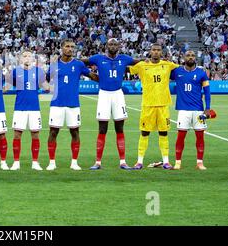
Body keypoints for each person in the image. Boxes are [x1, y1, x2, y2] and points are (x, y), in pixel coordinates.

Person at [83, 38, 141, 170]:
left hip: (118, 95)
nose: (113, 46)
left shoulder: (124, 58)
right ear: (106, 46)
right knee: (102, 129)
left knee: (119, 128)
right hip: (104, 94)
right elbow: (82, 62)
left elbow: (141, 62)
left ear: (119, 46)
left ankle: (123, 162)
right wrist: (89, 74)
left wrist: (152, 61)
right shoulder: (98, 58)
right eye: (110, 44)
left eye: (115, 44)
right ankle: (97, 162)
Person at [45, 39, 98, 171]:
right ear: (62, 48)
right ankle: (52, 162)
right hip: (57, 103)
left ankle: (74, 162)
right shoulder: (54, 64)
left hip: (73, 104)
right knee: (53, 132)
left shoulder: (79, 64)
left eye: (72, 47)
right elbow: (45, 80)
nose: (70, 49)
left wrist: (105, 76)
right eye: (67, 46)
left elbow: (91, 75)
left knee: (75, 132)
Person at [129, 43, 179, 170]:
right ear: (150, 52)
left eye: (158, 50)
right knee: (144, 132)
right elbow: (126, 68)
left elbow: (183, 71)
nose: (156, 52)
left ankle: (166, 161)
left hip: (163, 105)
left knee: (163, 133)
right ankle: (139, 161)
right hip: (148, 105)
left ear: (161, 52)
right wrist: (139, 60)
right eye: (154, 50)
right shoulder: (142, 65)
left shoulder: (168, 65)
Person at [5, 50, 49, 171]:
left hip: (34, 108)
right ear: (20, 59)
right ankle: (16, 162)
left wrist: (51, 85)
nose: (27, 58)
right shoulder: (15, 71)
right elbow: (7, 87)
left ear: (33, 59)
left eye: (29, 56)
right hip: (20, 108)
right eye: (24, 56)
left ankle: (35, 162)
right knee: (17, 135)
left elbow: (46, 87)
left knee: (35, 134)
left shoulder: (38, 71)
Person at [171, 50, 212, 170]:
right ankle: (178, 162)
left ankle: (200, 162)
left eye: (192, 55)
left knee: (200, 137)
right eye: (188, 55)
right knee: (180, 136)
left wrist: (207, 108)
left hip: (198, 110)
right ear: (183, 57)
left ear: (196, 58)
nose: (190, 57)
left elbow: (207, 92)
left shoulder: (201, 73)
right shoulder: (177, 71)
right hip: (183, 110)